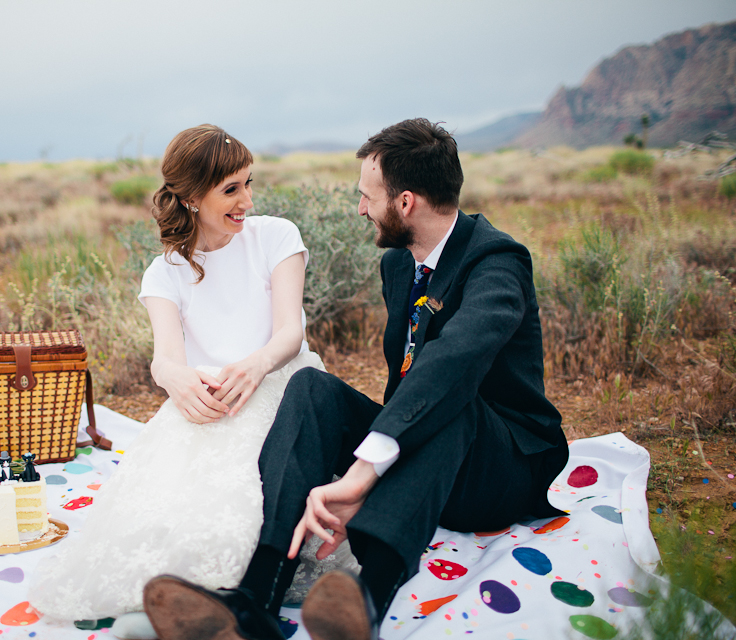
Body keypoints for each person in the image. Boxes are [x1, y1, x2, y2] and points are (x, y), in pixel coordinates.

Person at [141, 118, 570, 640]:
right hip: (425, 454)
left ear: (405, 202)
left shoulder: (496, 262)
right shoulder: (398, 265)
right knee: (309, 387)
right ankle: (256, 598)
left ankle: (366, 601)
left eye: (368, 196)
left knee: (455, 399)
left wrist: (367, 469)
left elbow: (453, 362)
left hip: (501, 469)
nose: (361, 208)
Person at [29, 125, 347, 637]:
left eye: (248, 183)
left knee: (245, 483)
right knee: (169, 485)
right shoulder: (166, 271)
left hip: (282, 379)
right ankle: (171, 598)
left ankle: (233, 596)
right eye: (231, 189)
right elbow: (165, 360)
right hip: (211, 392)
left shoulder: (276, 236)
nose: (246, 200)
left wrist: (258, 364)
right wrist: (176, 380)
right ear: (192, 198)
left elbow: (290, 332)